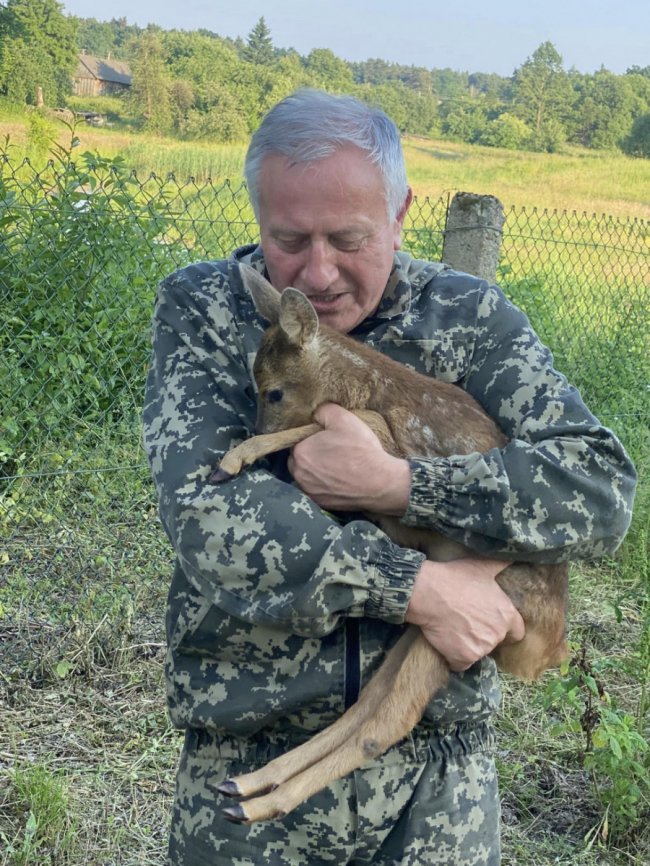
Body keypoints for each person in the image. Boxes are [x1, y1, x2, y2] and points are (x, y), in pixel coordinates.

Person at [143, 89, 636, 866]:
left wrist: (402, 488)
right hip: (248, 767)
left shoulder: (468, 318)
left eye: (349, 237)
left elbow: (599, 490)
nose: (320, 270)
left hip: (438, 782)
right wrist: (421, 589)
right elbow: (209, 516)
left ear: (402, 211)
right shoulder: (206, 311)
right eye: (288, 238)